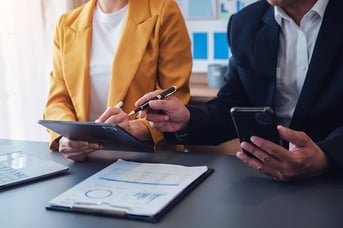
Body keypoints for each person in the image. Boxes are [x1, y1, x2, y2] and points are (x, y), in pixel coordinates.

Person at [135, 0, 343, 181]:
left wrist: (325, 157)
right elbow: (233, 105)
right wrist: (187, 120)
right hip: (266, 178)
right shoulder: (245, 23)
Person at [43, 0, 192, 161]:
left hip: (144, 158)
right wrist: (66, 138)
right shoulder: (67, 23)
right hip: (85, 161)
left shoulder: (164, 11)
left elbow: (174, 99)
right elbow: (57, 100)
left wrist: (133, 129)